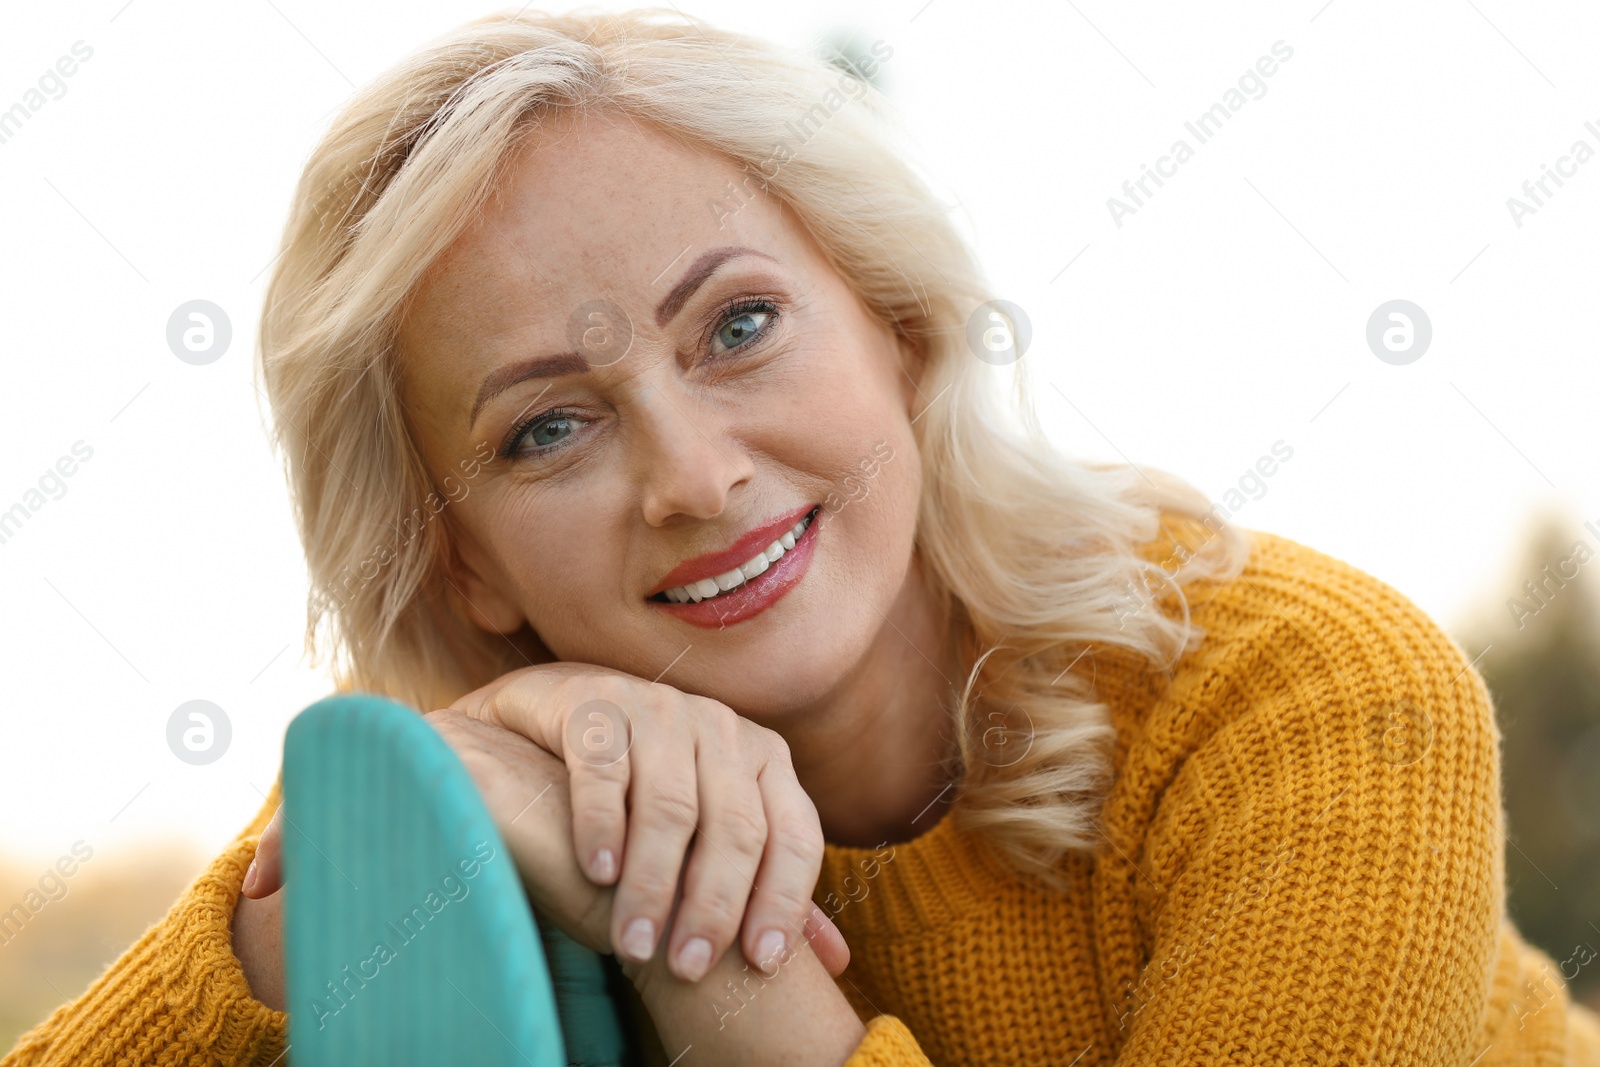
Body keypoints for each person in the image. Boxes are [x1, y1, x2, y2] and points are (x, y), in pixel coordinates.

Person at [7, 8, 1600, 1065]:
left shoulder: (1302, 697)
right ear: (462, 565)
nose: (692, 477)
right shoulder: (487, 772)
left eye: (741, 324)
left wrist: (712, 951)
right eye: (545, 428)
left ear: (897, 327)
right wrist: (326, 905)